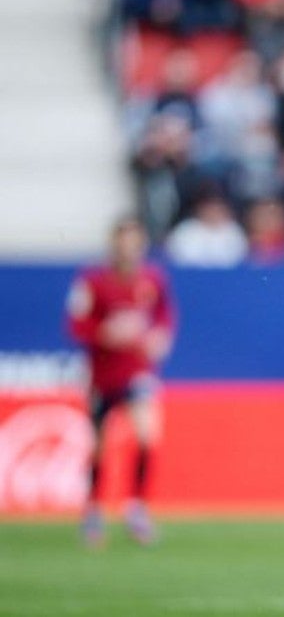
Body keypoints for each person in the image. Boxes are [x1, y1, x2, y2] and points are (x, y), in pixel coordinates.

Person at [66, 217, 176, 547]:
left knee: (147, 434)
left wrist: (160, 336)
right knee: (99, 446)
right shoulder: (93, 282)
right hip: (103, 374)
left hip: (138, 371)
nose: (129, 249)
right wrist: (105, 332)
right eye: (123, 242)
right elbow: (76, 324)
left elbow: (164, 317)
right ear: (114, 245)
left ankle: (137, 508)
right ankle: (94, 511)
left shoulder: (152, 280)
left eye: (135, 242)